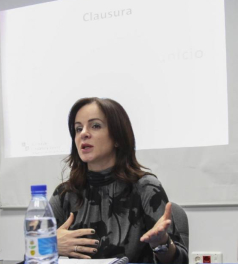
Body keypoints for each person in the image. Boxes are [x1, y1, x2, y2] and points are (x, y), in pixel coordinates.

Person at [49, 97, 188, 263]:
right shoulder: (65, 194)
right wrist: (50, 245)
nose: (83, 134)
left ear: (117, 138)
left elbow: (181, 261)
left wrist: (162, 244)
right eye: (78, 129)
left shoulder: (145, 188)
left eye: (95, 126)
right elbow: (31, 257)